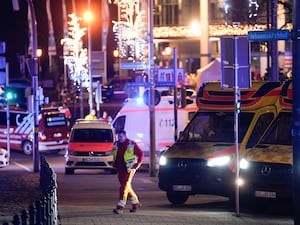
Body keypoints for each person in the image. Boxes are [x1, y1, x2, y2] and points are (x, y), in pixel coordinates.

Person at [112, 130, 144, 214]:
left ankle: (120, 207)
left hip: (129, 169)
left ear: (125, 136)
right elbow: (115, 155)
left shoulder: (131, 144)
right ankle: (135, 203)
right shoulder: (116, 144)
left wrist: (136, 166)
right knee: (126, 187)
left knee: (123, 188)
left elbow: (141, 154)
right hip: (120, 169)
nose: (119, 138)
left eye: (121, 137)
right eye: (118, 137)